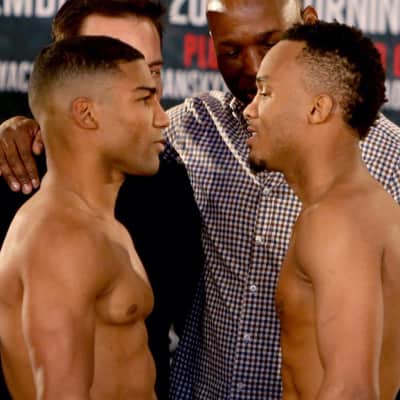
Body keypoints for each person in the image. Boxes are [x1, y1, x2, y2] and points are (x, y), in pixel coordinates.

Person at [1, 0, 400, 399]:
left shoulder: (347, 207)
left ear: (319, 107)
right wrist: (33, 126)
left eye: (151, 75)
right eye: (231, 51)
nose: (159, 114)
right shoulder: (184, 135)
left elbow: (351, 388)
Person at [0, 1, 204, 399]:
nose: (163, 115)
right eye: (113, 64)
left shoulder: (166, 184)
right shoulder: (52, 227)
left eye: (153, 73)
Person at [244, 20, 400, 400]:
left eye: (265, 92)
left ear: (318, 109)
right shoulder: (359, 206)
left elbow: (352, 390)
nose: (250, 110)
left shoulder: (337, 219)